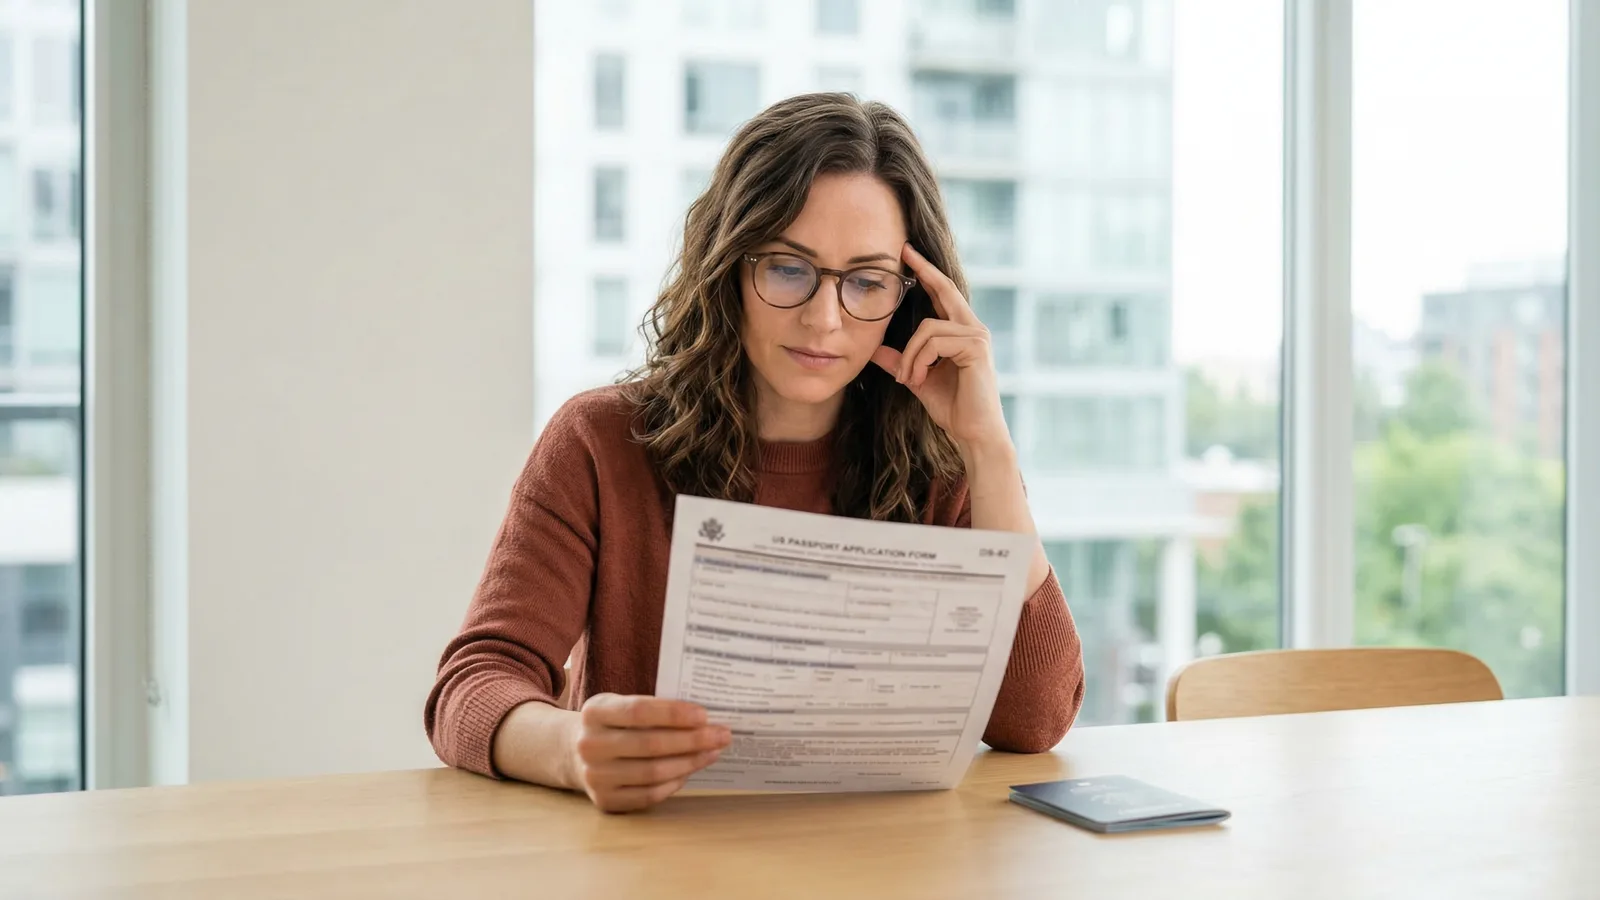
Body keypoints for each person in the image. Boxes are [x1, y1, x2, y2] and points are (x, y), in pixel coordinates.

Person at [425, 93, 1085, 813]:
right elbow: (475, 684)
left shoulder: (947, 465)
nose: (823, 318)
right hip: (659, 865)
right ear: (730, 266)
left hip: (883, 868)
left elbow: (1034, 720)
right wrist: (570, 749)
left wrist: (988, 449)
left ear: (911, 301)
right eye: (787, 268)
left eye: (866, 282)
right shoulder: (600, 440)